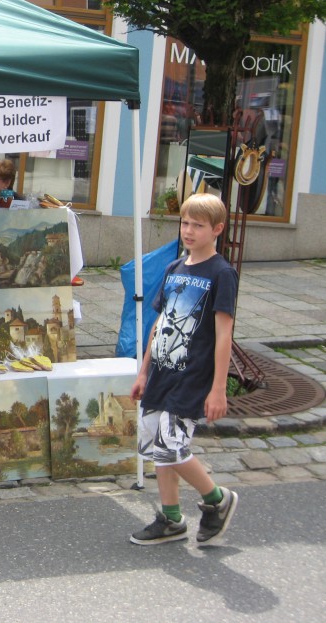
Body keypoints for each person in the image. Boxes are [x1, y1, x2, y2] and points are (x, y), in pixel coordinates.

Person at [129, 192, 239, 546]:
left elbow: (224, 334)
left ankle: (216, 499)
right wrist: (144, 371)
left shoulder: (222, 273)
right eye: (185, 223)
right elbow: (159, 323)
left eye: (198, 225)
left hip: (192, 377)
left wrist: (218, 388)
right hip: (161, 372)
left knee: (171, 445)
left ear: (217, 229)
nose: (189, 231)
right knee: (156, 444)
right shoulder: (174, 268)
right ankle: (171, 518)